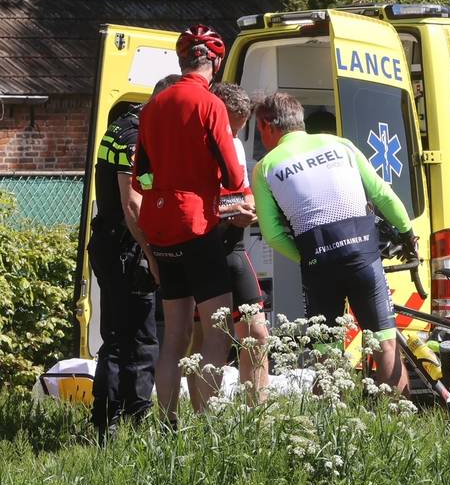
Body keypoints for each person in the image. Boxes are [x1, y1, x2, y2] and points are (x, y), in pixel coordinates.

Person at [250, 92, 416, 392]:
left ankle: (332, 424)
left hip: (319, 262)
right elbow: (382, 194)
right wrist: (406, 233)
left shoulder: (265, 167)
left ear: (267, 125)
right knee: (385, 343)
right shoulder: (342, 145)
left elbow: (273, 234)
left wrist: (309, 257)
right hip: (363, 254)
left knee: (327, 353)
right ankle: (396, 426)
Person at [134, 24, 244, 422]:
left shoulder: (152, 107)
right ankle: (208, 422)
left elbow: (141, 175)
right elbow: (231, 171)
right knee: (217, 333)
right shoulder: (208, 103)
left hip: (161, 228)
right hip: (196, 226)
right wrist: (222, 187)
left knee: (174, 337)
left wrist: (161, 187)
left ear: (182, 61)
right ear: (214, 61)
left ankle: (166, 424)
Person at [88, 73, 179, 442]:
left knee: (118, 334)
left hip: (112, 243)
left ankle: (109, 418)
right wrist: (151, 254)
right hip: (126, 246)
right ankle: (131, 419)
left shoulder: (125, 126)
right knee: (139, 337)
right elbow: (132, 204)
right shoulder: (135, 135)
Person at [209, 82, 269, 402]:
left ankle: (256, 415)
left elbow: (242, 193)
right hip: (202, 248)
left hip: (233, 245)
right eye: (230, 128)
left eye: (239, 130)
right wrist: (229, 211)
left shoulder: (233, 144)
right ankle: (202, 418)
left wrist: (250, 209)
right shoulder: (191, 143)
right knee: (207, 338)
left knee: (257, 333)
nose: (232, 136)